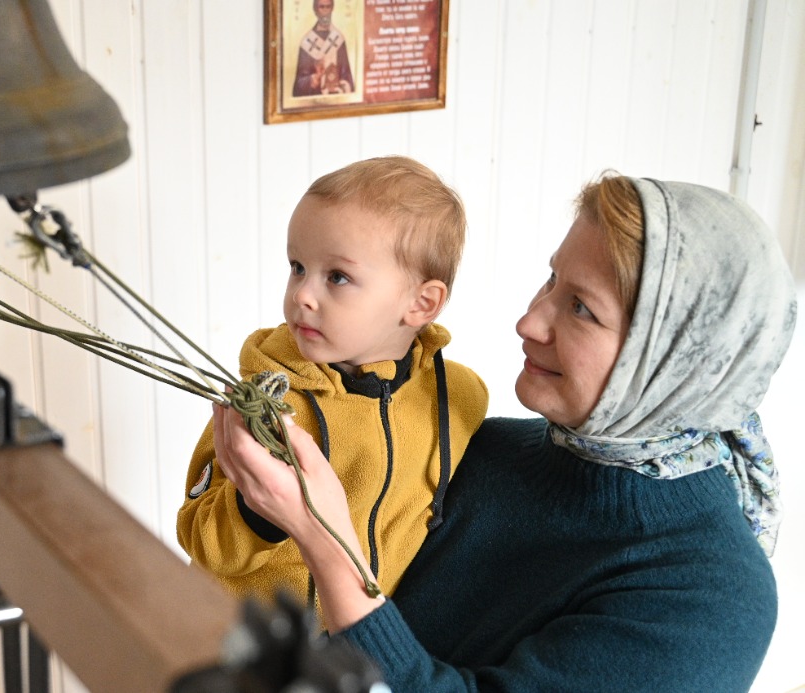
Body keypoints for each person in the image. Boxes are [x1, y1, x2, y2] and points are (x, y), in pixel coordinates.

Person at [210, 173, 797, 691]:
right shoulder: (484, 450)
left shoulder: (714, 597)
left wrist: (330, 549)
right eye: (550, 281)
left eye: (581, 308)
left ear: (679, 359)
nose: (529, 321)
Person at [177, 156, 489, 609]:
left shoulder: (459, 396)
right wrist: (258, 510)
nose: (302, 293)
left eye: (337, 277)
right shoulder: (266, 408)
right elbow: (200, 540)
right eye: (297, 266)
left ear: (421, 304)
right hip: (248, 645)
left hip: (367, 641)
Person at [293, 0, 355, 96]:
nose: (325, 11)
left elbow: (346, 75)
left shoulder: (338, 39)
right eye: (321, 7)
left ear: (332, 8)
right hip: (314, 98)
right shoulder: (307, 42)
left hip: (336, 98)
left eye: (328, 7)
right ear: (315, 10)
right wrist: (313, 79)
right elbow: (299, 84)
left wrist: (343, 84)